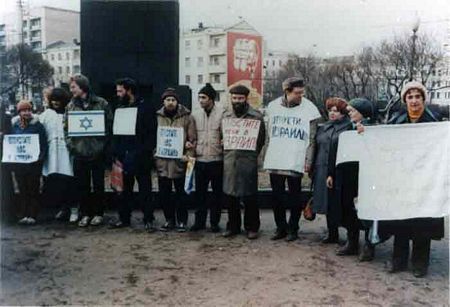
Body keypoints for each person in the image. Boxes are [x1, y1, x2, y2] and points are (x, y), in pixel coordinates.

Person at [382, 81, 444, 277]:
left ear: (424, 99)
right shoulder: (396, 121)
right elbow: (385, 144)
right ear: (405, 100)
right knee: (401, 219)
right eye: (410, 97)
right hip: (403, 179)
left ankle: (419, 263)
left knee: (422, 221)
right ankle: (398, 260)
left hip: (426, 180)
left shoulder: (435, 122)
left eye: (418, 96)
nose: (414, 100)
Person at [264, 77, 321, 241]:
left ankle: (293, 228)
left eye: (302, 92)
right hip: (276, 158)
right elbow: (269, 134)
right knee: (277, 196)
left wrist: (308, 162)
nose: (300, 96)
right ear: (287, 91)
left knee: (294, 197)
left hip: (295, 159)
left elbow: (311, 139)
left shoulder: (309, 108)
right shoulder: (273, 106)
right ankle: (280, 227)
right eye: (297, 93)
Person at [109, 78, 157, 232]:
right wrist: (116, 154)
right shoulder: (120, 107)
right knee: (124, 189)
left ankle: (148, 219)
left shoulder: (145, 107)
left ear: (129, 90)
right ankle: (124, 218)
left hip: (141, 155)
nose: (117, 94)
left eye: (120, 91)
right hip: (124, 155)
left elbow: (152, 132)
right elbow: (116, 132)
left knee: (145, 189)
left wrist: (144, 151)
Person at [66, 74, 113, 227]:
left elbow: (109, 125)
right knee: (82, 185)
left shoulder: (101, 103)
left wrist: (102, 145)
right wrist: (72, 147)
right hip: (79, 152)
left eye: (73, 87)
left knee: (99, 184)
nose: (71, 90)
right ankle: (85, 213)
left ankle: (99, 213)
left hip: (97, 152)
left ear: (82, 86)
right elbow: (66, 129)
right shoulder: (70, 106)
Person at [222, 85, 265, 240]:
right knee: (231, 195)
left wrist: (252, 155)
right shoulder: (226, 116)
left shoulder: (256, 116)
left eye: (240, 98)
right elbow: (222, 136)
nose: (237, 101)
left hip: (248, 160)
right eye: (234, 98)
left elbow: (260, 140)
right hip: (230, 160)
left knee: (250, 196)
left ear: (246, 98)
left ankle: (252, 227)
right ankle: (233, 226)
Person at [335, 98, 375, 258]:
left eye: (352, 110)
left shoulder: (373, 129)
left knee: (367, 211)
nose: (349, 113)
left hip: (367, 176)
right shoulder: (347, 128)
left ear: (362, 113)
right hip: (349, 175)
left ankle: (369, 245)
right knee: (349, 209)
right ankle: (352, 242)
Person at [155, 88, 196, 232]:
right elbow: (154, 138)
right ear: (163, 102)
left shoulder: (187, 117)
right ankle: (169, 220)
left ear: (177, 102)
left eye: (173, 100)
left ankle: (182, 221)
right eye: (168, 100)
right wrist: (155, 153)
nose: (170, 103)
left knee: (181, 194)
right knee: (164, 194)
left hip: (180, 162)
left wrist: (188, 154)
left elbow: (192, 139)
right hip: (163, 162)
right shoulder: (157, 116)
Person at [312, 97, 351, 244]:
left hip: (337, 169)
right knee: (326, 201)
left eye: (337, 111)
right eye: (330, 110)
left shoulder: (347, 128)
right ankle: (332, 232)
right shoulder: (323, 127)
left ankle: (348, 234)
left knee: (338, 201)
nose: (333, 114)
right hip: (321, 168)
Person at [190, 83, 225, 233]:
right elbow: (191, 135)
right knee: (200, 194)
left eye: (203, 97)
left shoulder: (223, 113)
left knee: (217, 194)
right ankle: (199, 222)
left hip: (217, 159)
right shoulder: (195, 114)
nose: (201, 100)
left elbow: (227, 133)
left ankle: (215, 222)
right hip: (200, 159)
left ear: (211, 99)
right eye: (199, 97)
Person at [39, 87, 76, 221]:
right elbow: (35, 124)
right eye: (53, 99)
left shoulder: (70, 112)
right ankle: (63, 208)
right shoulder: (46, 114)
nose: (55, 102)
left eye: (58, 100)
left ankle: (73, 209)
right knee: (57, 182)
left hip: (67, 152)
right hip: (52, 153)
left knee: (69, 181)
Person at [8, 100, 47, 224]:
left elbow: (43, 144)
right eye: (24, 110)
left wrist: (40, 158)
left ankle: (33, 215)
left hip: (34, 164)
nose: (27, 113)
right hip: (19, 164)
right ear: (19, 112)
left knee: (33, 189)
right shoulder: (14, 126)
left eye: (29, 110)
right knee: (22, 189)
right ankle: (24, 214)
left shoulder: (38, 126)